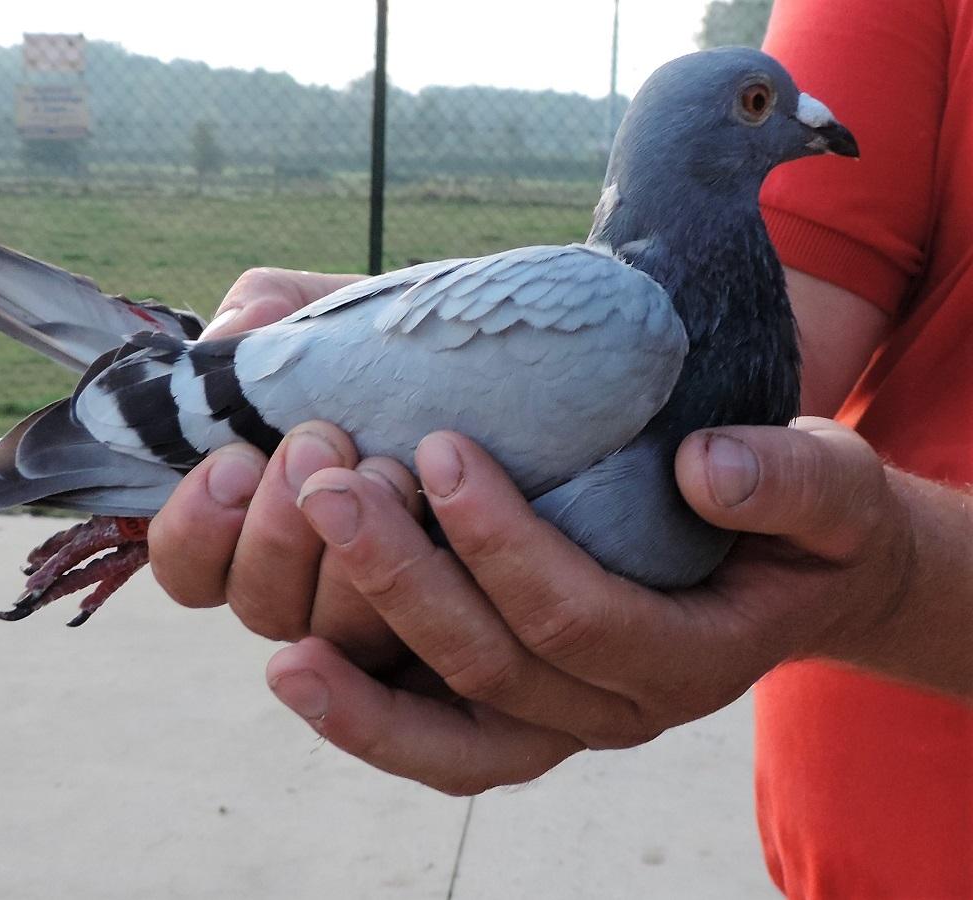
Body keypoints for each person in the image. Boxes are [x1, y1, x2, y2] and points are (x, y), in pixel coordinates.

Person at [149, 0, 973, 894]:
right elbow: (768, 353)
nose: (808, 118)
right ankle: (159, 420)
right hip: (874, 830)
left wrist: (893, 582)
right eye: (757, 105)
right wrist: (443, 338)